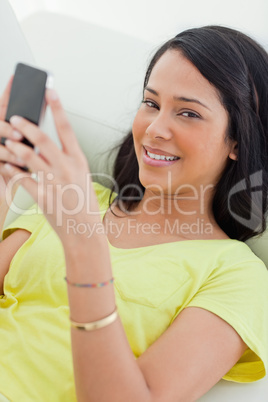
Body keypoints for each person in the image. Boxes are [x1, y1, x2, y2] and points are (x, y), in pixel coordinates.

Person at [0, 25, 268, 401]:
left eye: (188, 113)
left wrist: (85, 249)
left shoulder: (237, 276)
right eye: (151, 103)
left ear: (238, 140)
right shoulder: (78, 198)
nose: (155, 129)